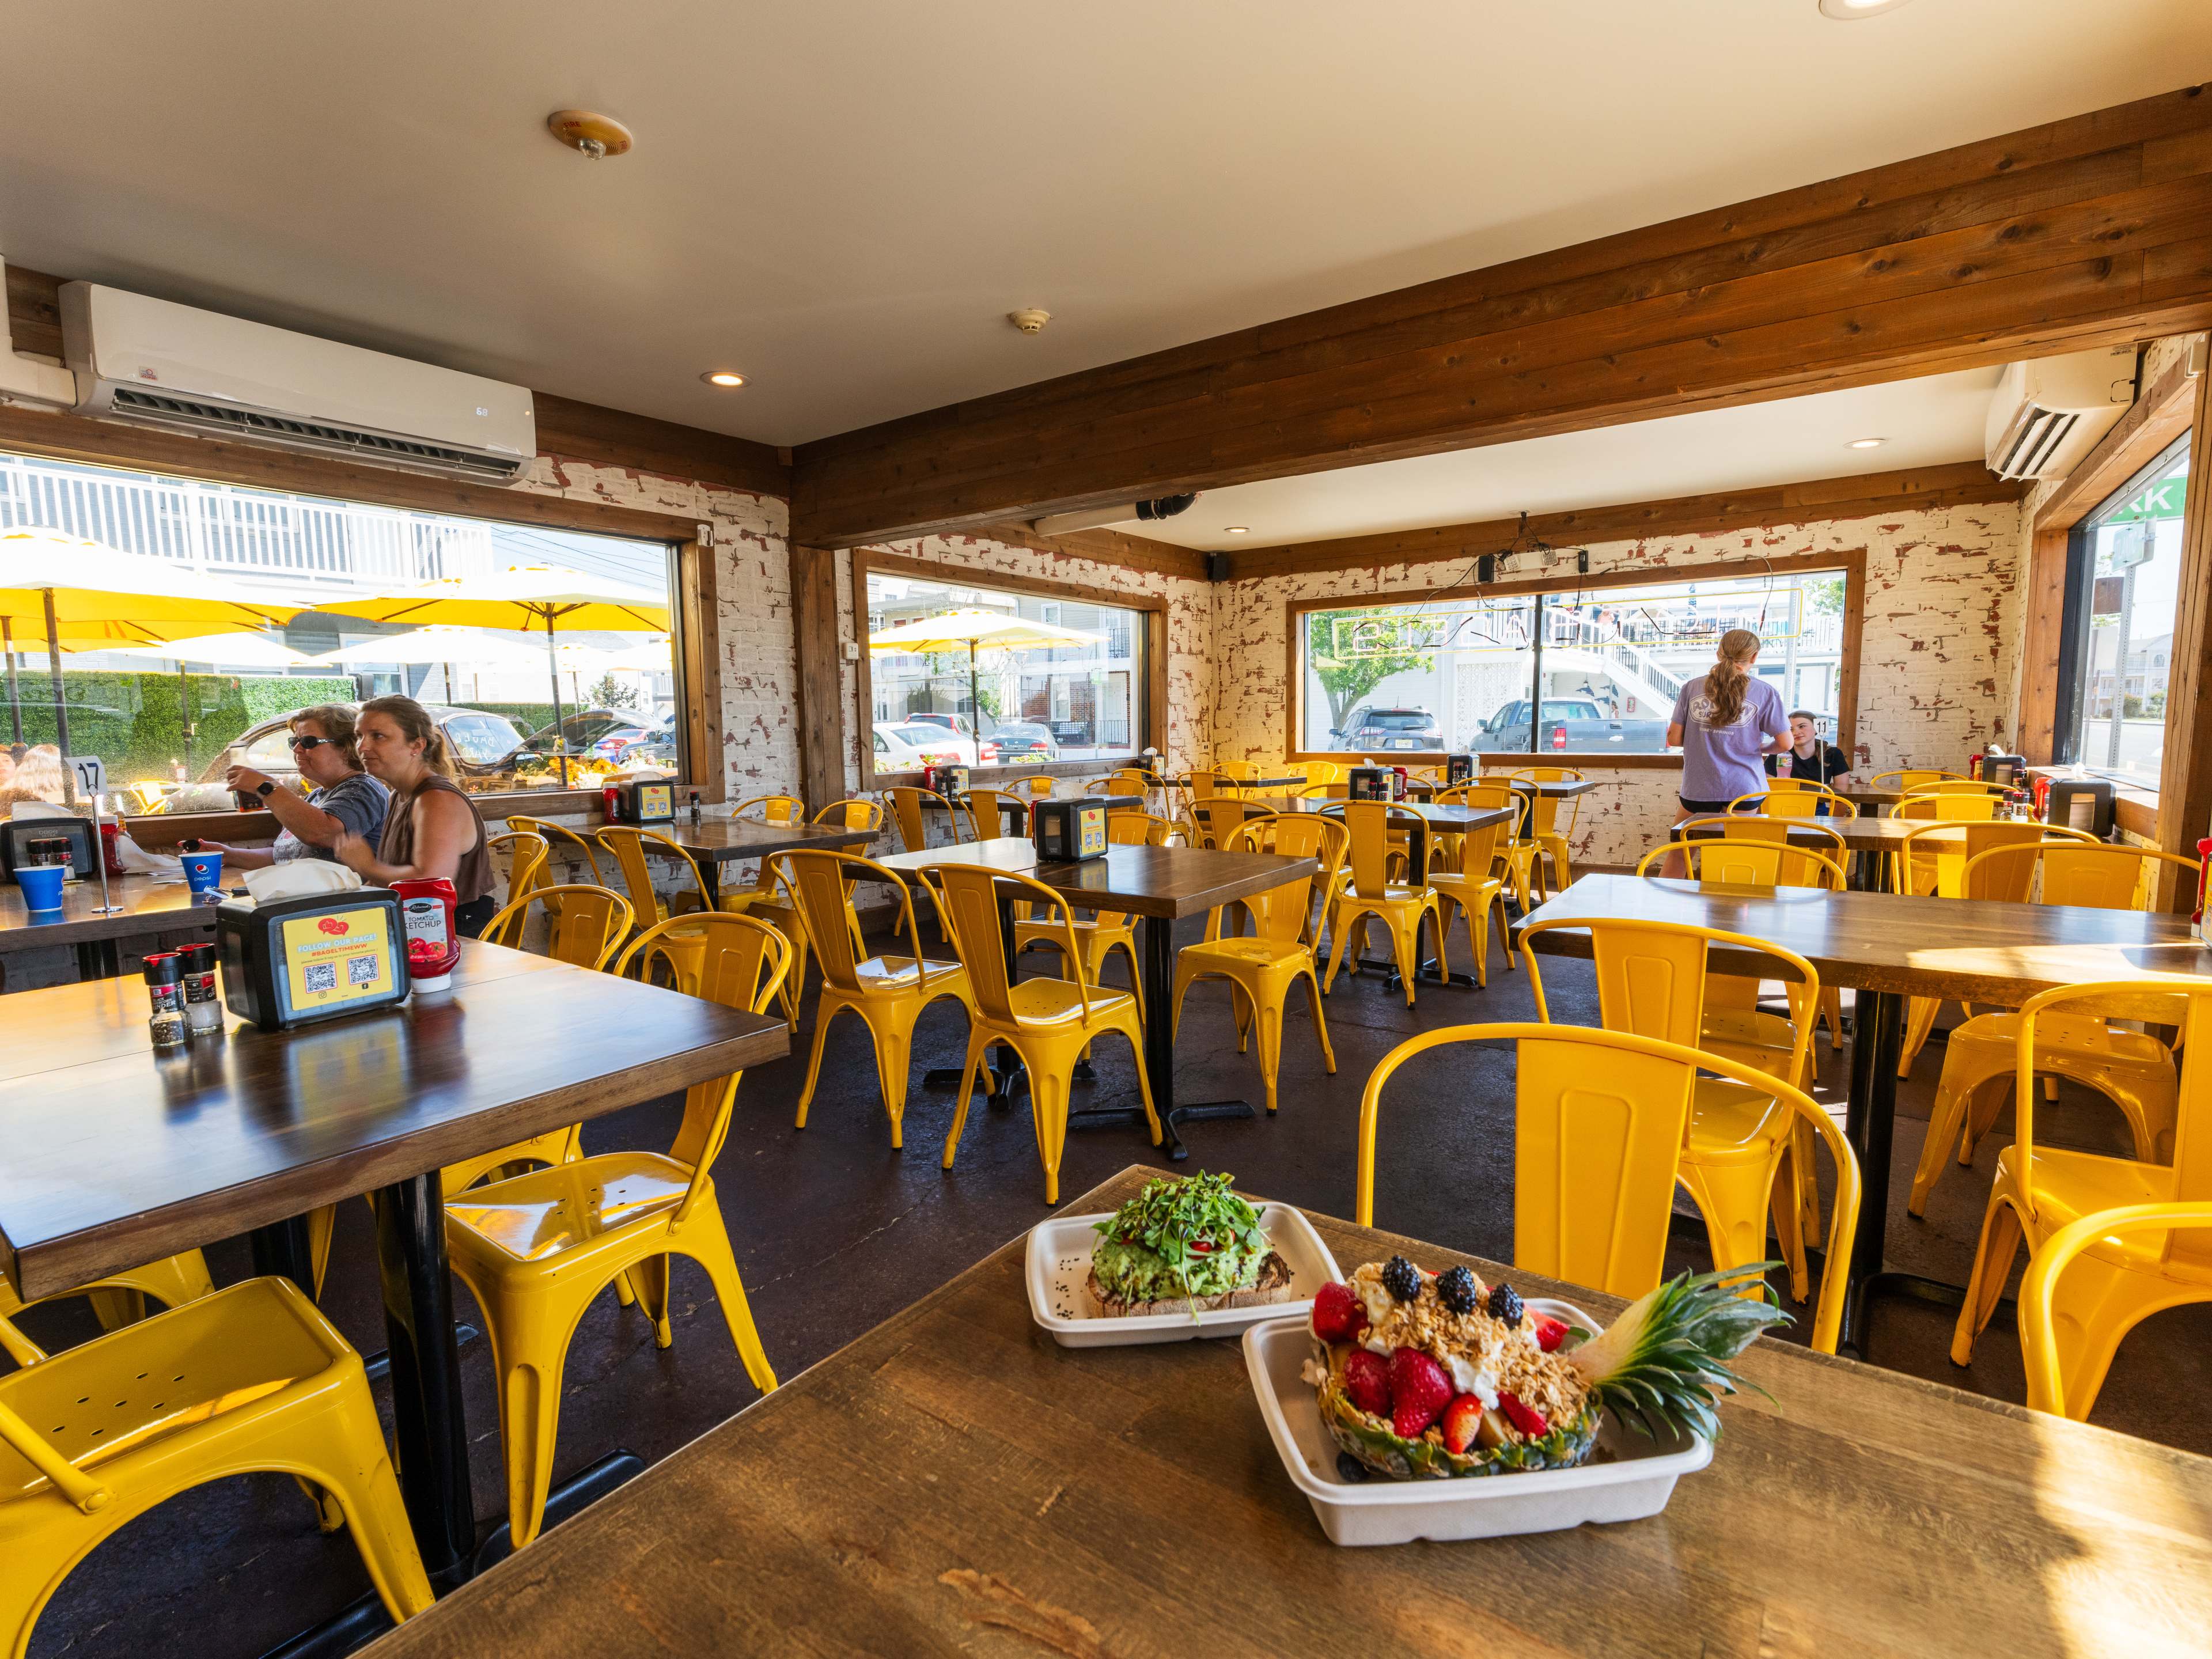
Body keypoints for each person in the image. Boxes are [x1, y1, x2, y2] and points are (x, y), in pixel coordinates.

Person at [332, 695, 498, 937]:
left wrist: (368, 865)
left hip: (455, 934)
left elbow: (430, 882)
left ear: (417, 746)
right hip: (418, 925)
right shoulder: (398, 795)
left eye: (378, 736)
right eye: (360, 736)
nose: (363, 747)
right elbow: (385, 883)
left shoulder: (436, 799)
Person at [199, 705, 389, 870]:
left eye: (308, 742)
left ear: (347, 747)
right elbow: (283, 857)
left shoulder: (364, 788)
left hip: (345, 908)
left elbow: (323, 833)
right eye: (294, 742)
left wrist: (265, 786)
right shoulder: (317, 796)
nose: (297, 749)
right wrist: (227, 855)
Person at [1664, 629, 1789, 876]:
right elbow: (1785, 744)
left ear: (1719, 652)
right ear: (1753, 657)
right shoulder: (1765, 692)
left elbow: (1674, 738)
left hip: (1700, 785)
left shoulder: (1692, 688)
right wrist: (1759, 748)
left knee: (1681, 852)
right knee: (1735, 853)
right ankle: (1728, 913)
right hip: (1744, 788)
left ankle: (1661, 913)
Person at [1766, 710, 1854, 800]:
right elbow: (1767, 790)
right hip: (1784, 807)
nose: (1796, 732)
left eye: (1802, 726)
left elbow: (1842, 794)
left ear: (1816, 729)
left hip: (1818, 810)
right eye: (1791, 729)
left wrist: (1834, 814)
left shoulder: (1833, 754)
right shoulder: (1780, 754)